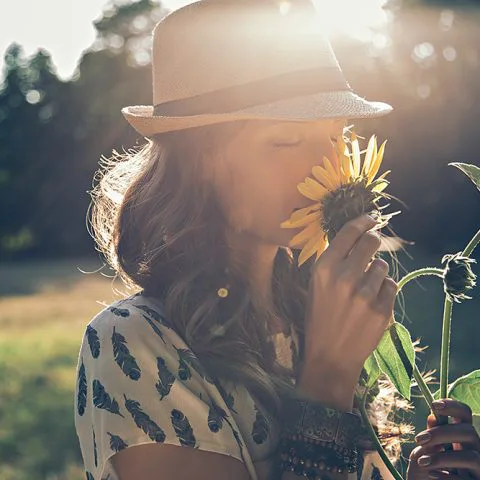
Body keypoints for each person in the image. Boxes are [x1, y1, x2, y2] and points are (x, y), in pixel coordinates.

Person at [74, 1, 480, 480]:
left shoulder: (310, 315)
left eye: (338, 136)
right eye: (286, 141)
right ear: (201, 161)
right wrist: (329, 375)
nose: (326, 168)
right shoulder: (134, 345)